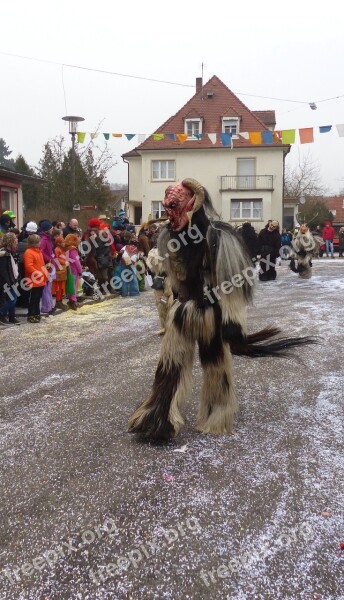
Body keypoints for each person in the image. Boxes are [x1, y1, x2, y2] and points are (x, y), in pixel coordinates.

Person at [128, 178, 315, 442]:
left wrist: (233, 322)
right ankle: (159, 416)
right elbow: (174, 275)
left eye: (175, 206)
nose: (169, 214)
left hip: (211, 313)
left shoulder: (219, 236)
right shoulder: (169, 236)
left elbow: (235, 283)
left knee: (215, 365)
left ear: (194, 204)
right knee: (169, 365)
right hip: (182, 311)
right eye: (167, 208)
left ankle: (217, 415)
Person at [23, 234, 48, 323]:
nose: (40, 243)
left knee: (37, 298)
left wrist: (45, 273)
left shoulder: (38, 251)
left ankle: (36, 313)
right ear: (35, 243)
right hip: (33, 279)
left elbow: (41, 264)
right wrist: (39, 274)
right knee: (33, 298)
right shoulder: (29, 252)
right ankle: (31, 314)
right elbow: (29, 267)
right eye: (39, 242)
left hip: (39, 278)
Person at [0, 232, 20, 325]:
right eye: (15, 239)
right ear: (10, 240)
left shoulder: (12, 251)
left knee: (14, 298)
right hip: (8, 280)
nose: (16, 240)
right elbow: (3, 270)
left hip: (14, 277)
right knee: (11, 299)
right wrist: (8, 282)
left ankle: (12, 316)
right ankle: (1, 315)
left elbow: (15, 265)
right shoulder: (4, 253)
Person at [39, 220, 55, 314]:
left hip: (50, 264)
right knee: (46, 288)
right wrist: (49, 258)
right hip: (46, 265)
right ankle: (46, 307)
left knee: (49, 287)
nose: (52, 231)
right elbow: (41, 252)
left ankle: (49, 306)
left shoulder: (48, 239)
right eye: (51, 229)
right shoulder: (44, 240)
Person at [64, 233, 83, 310]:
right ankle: (73, 302)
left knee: (70, 285)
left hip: (69, 269)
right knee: (74, 286)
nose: (79, 239)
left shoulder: (67, 248)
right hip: (74, 270)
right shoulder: (73, 249)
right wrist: (80, 271)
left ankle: (71, 300)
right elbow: (77, 262)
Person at [52, 235, 68, 310]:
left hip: (63, 271)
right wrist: (65, 262)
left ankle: (60, 301)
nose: (64, 243)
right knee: (58, 288)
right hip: (59, 271)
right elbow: (56, 259)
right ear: (59, 243)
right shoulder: (57, 249)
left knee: (62, 287)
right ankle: (58, 301)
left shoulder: (63, 250)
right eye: (62, 242)